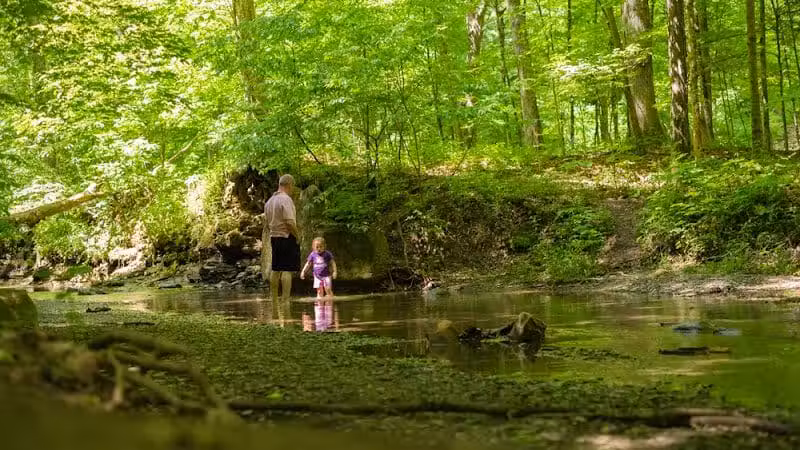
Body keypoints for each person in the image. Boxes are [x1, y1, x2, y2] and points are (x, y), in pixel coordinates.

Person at [264, 174, 300, 302]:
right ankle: (285, 300)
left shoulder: (269, 201)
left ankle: (273, 298)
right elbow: (290, 222)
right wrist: (297, 236)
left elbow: (267, 223)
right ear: (289, 184)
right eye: (292, 186)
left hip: (274, 237)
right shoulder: (286, 199)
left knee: (276, 269)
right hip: (286, 236)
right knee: (287, 270)